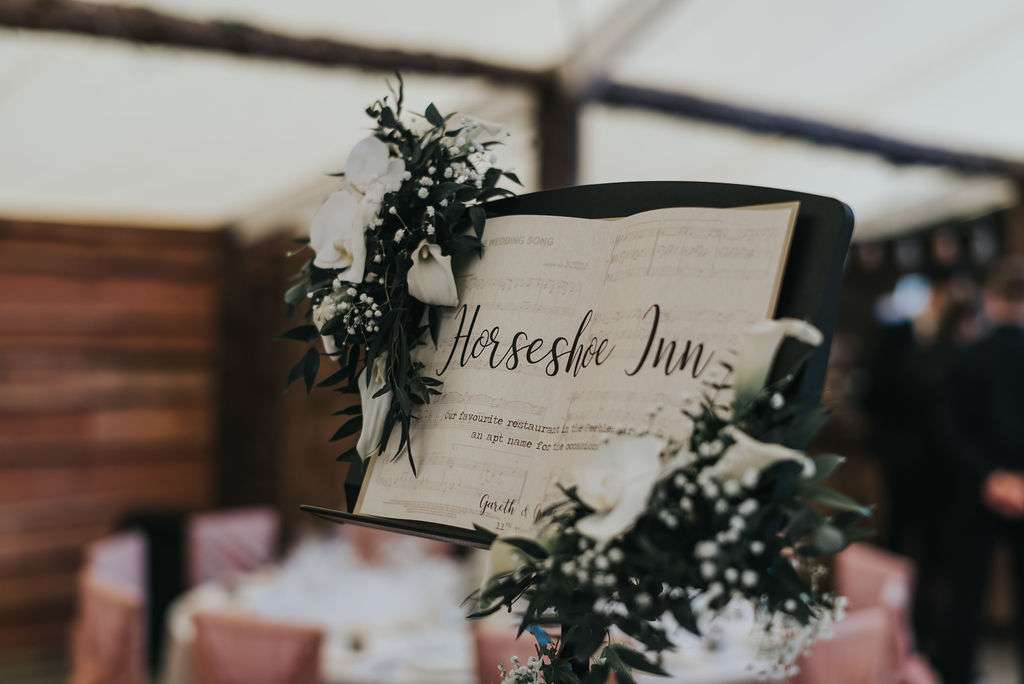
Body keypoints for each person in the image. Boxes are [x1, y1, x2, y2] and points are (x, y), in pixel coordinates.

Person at [863, 268, 978, 657]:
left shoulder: (957, 344)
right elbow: (875, 396)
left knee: (939, 554)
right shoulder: (897, 337)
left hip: (946, 470)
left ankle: (928, 637)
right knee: (899, 545)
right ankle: (897, 633)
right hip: (903, 465)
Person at [943, 257, 1024, 683]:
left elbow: (949, 430)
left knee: (966, 593)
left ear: (990, 300)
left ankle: (959, 673)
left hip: (976, 486)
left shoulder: (966, 356)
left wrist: (991, 476)